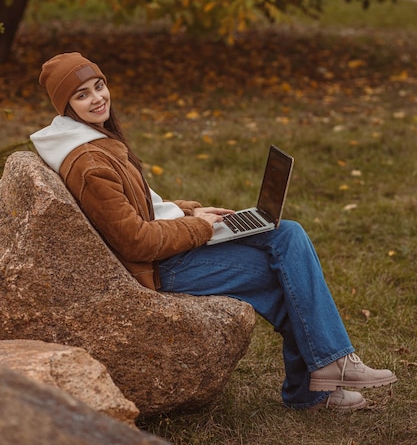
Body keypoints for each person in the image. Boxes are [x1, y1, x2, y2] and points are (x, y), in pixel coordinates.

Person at [30, 52, 397, 412]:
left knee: (288, 233)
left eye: (99, 86)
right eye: (83, 95)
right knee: (284, 276)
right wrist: (199, 228)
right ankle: (320, 381)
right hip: (162, 268)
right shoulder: (91, 163)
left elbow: (136, 208)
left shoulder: (91, 141)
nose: (97, 98)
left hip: (169, 249)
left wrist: (189, 211)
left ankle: (327, 371)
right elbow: (135, 241)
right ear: (66, 107)